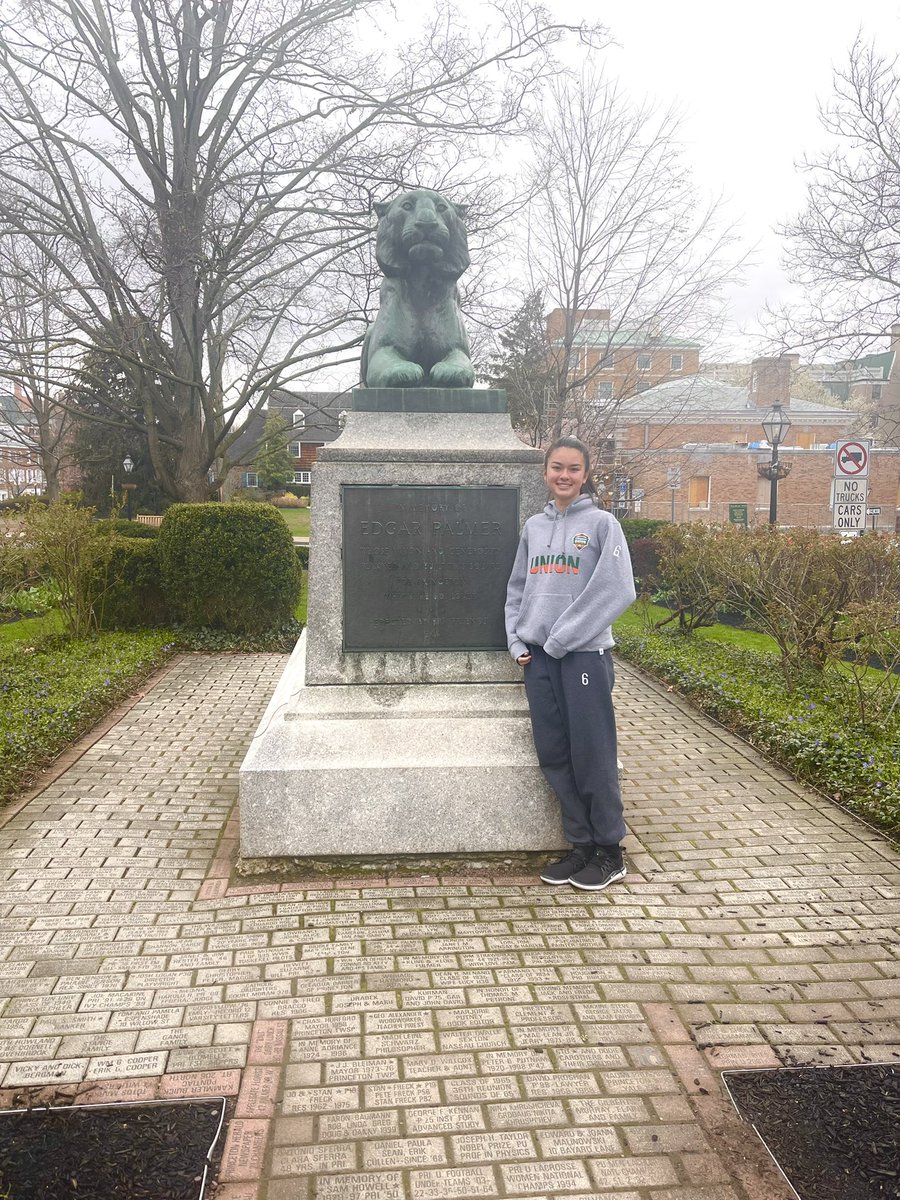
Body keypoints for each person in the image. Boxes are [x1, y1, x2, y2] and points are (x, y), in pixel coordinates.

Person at [505, 436, 636, 890]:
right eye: (557, 467)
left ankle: (609, 852)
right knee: (555, 754)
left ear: (585, 475)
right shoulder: (533, 528)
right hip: (538, 659)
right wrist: (516, 639)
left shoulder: (602, 524)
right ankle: (581, 846)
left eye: (573, 468)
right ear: (546, 472)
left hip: (582, 655)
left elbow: (617, 589)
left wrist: (561, 638)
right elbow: (517, 589)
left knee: (592, 754)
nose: (564, 475)